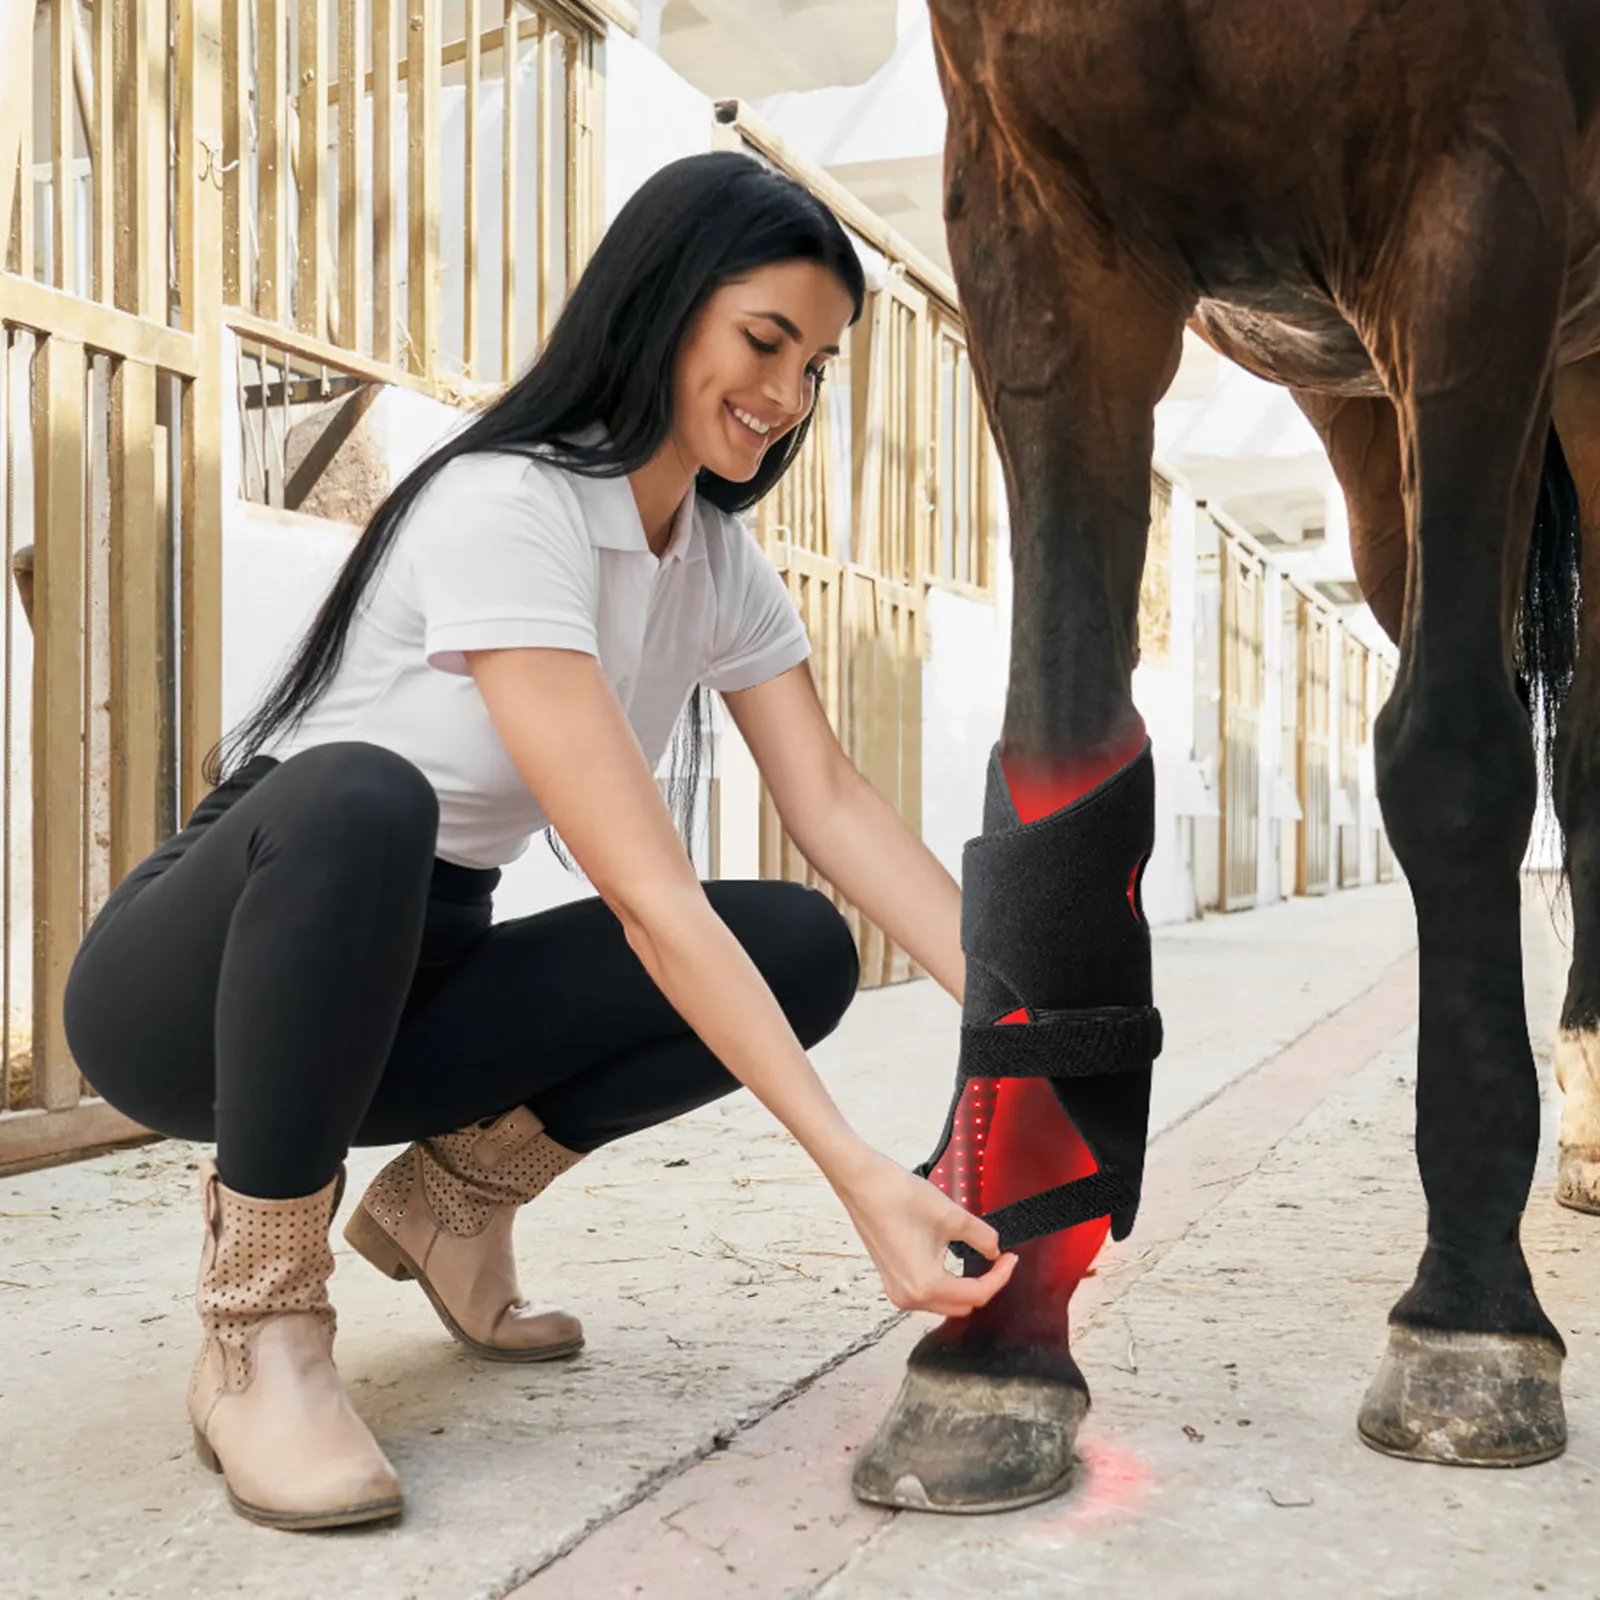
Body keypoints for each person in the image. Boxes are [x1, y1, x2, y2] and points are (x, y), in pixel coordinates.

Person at [62, 151, 1016, 1533]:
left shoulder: (714, 562)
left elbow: (835, 806)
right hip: (204, 980)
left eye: (817, 365)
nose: (789, 394)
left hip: (404, 992)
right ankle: (261, 1328)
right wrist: (859, 1173)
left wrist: (1037, 1020)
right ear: (663, 304)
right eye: (765, 340)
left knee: (800, 947)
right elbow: (643, 891)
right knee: (365, 793)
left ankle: (451, 1206)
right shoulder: (506, 504)